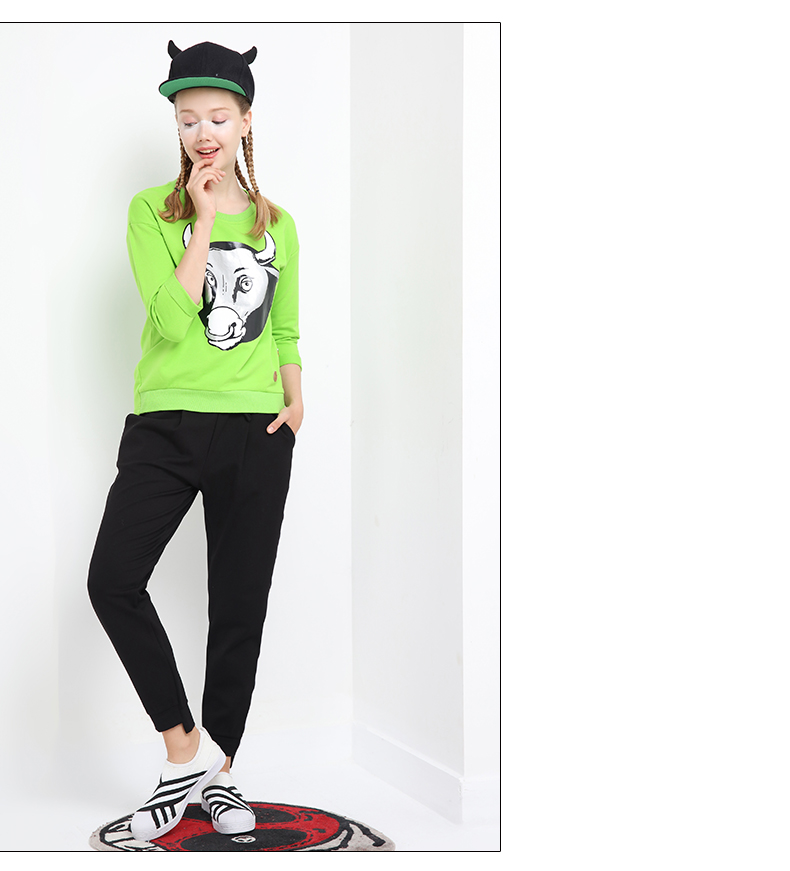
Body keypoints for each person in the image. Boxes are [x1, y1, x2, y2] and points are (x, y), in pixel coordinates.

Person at [87, 40, 303, 842]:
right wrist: (204, 219)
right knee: (113, 579)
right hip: (166, 426)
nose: (202, 132)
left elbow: (285, 325)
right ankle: (185, 750)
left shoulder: (280, 224)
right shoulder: (152, 209)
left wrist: (296, 396)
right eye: (187, 120)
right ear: (176, 128)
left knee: (238, 604)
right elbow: (175, 321)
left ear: (245, 120)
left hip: (258, 427)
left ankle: (222, 772)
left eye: (217, 117)